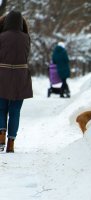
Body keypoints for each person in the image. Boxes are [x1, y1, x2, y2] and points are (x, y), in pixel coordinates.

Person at [0, 11, 33, 153]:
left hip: (2, 74)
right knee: (15, 111)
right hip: (21, 76)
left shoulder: (1, 37)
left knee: (1, 109)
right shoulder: (26, 38)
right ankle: (11, 142)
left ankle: (1, 134)